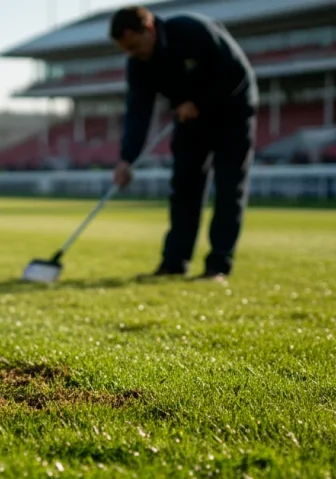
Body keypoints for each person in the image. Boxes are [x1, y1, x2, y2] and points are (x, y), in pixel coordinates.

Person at [110, 6, 258, 281]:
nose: (132, 53)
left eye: (134, 45)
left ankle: (218, 266)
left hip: (232, 113)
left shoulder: (193, 31)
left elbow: (236, 73)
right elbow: (138, 112)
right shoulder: (138, 63)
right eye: (125, 49)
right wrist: (126, 159)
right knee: (184, 188)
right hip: (189, 120)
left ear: (150, 28)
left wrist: (200, 102)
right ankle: (174, 262)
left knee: (229, 188)